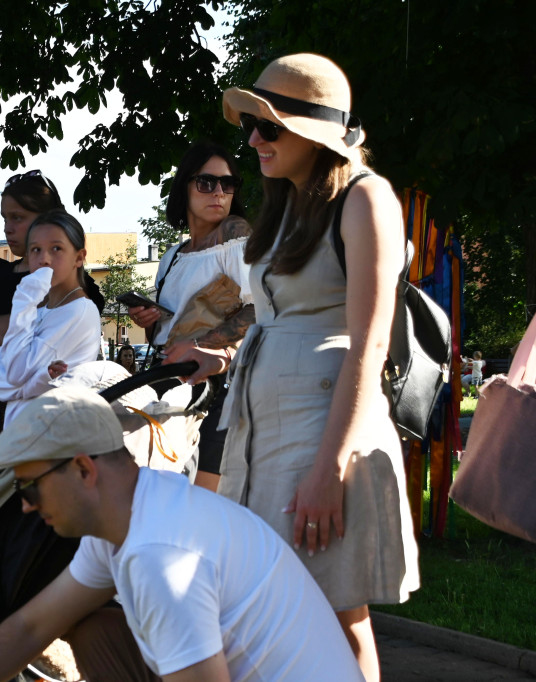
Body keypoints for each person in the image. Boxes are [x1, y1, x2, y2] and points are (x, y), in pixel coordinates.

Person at [174, 53, 418, 681]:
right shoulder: (286, 205)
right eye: (252, 124)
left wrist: (328, 470)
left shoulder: (366, 200)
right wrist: (219, 355)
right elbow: (276, 314)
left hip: (321, 431)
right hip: (261, 433)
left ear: (314, 134)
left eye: (269, 126)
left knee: (337, 612)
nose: (253, 139)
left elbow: (367, 343)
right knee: (269, 602)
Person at [0, 387, 363, 682]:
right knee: (93, 630)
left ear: (83, 469)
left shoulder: (159, 559)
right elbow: (32, 628)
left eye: (29, 487)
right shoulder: (138, 510)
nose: (25, 506)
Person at [0, 170, 104, 474]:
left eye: (17, 218)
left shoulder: (73, 290)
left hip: (35, 415)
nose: (8, 228)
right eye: (4, 218)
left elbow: (27, 357)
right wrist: (5, 353)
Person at [128, 141, 255, 493]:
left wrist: (200, 345)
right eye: (206, 182)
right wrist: (150, 319)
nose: (218, 192)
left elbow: (261, 308)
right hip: (168, 382)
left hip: (219, 388)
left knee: (202, 505)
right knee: (161, 494)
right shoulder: (171, 257)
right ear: (184, 186)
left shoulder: (236, 237)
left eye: (227, 184)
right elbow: (168, 330)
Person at [0, 209, 103, 426]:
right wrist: (31, 384)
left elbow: (14, 375)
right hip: (23, 433)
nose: (44, 259)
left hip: (49, 434)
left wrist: (24, 298)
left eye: (56, 248)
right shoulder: (39, 311)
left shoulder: (78, 312)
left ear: (79, 257)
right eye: (36, 250)